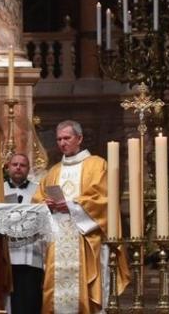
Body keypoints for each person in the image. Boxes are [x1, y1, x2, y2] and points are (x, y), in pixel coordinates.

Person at [32, 120, 129, 313]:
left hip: (85, 239)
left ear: (80, 138)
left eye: (67, 138)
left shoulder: (97, 165)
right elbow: (37, 199)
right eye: (59, 139)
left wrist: (70, 205)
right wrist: (46, 205)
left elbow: (103, 199)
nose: (62, 143)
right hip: (57, 239)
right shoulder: (54, 171)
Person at [4, 153, 44, 314]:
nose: (18, 167)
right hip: (6, 254)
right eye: (15, 164)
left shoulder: (38, 190)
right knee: (8, 299)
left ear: (28, 169)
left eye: (23, 165)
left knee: (30, 298)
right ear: (8, 168)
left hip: (31, 253)